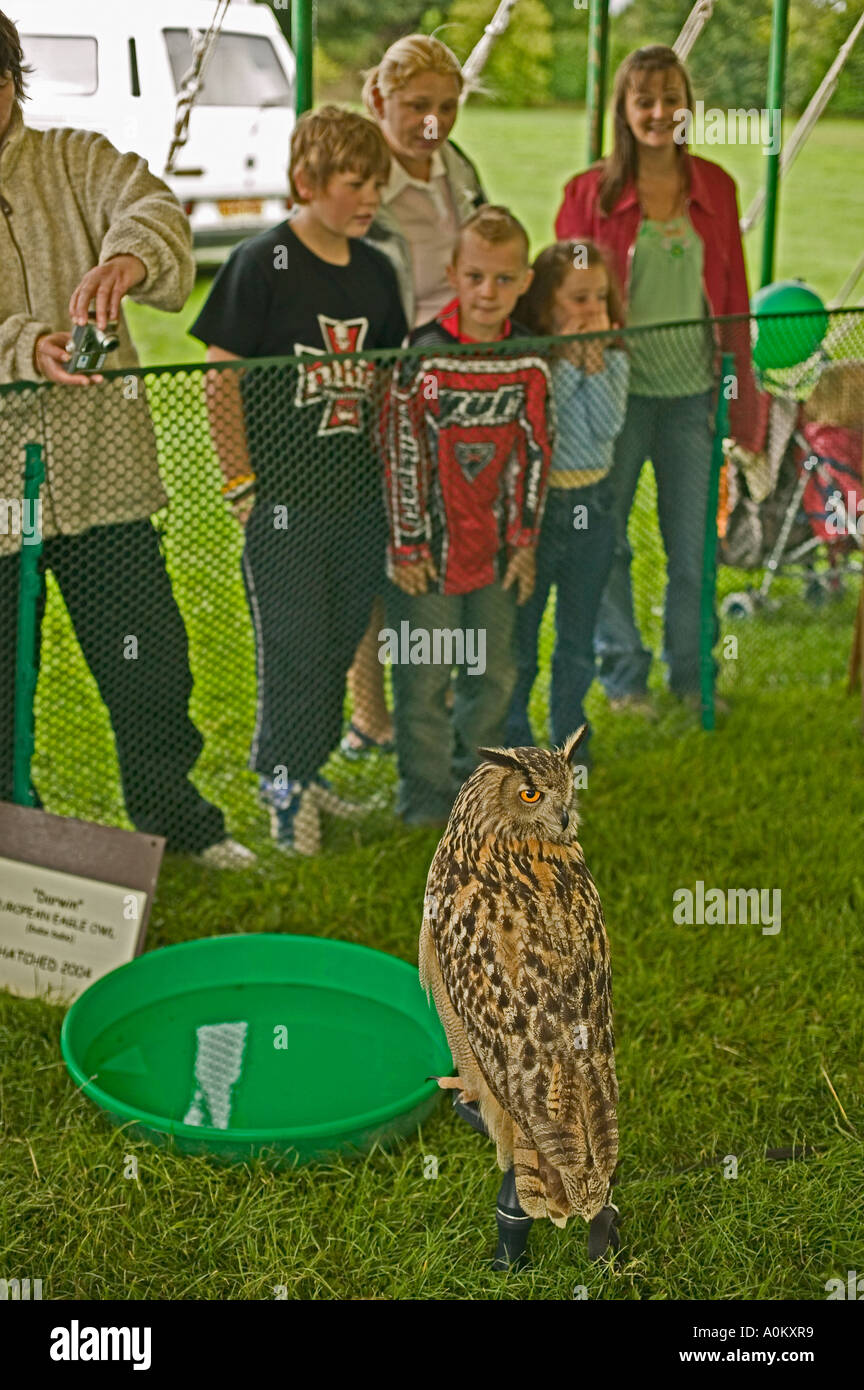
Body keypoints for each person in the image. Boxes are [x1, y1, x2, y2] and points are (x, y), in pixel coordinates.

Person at [0, 11, 251, 868]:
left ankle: (178, 823)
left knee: (148, 666)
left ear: (10, 85)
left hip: (102, 475)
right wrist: (21, 346)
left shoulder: (73, 156)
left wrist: (126, 262)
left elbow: (150, 203)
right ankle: (11, 847)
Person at [191, 106, 407, 855]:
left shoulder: (379, 272)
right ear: (306, 182)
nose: (371, 198)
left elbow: (386, 384)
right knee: (291, 644)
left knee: (342, 635)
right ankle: (282, 790)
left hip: (357, 500)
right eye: (355, 183)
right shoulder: (262, 262)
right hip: (282, 501)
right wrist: (240, 484)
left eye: (378, 183)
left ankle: (307, 772)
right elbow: (222, 373)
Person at [555, 45, 760, 714]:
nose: (658, 112)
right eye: (644, 100)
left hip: (692, 398)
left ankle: (693, 675)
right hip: (611, 400)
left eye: (670, 98)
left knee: (695, 549)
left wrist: (739, 400)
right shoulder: (589, 195)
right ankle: (623, 677)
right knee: (605, 544)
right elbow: (563, 298)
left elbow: (732, 297)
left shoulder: (717, 187)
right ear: (624, 109)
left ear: (686, 106)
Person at [340, 33, 487, 760]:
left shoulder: (458, 168)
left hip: (459, 375)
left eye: (448, 107)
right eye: (417, 106)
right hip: (386, 381)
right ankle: (372, 714)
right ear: (378, 100)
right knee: (379, 550)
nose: (434, 123)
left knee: (452, 537)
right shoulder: (359, 181)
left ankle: (442, 691)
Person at [382, 205, 553, 825]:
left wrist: (526, 541)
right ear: (453, 273)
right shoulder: (424, 356)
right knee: (423, 677)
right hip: (426, 554)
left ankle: (475, 793)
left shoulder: (530, 361)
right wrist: (406, 546)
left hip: (500, 554)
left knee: (494, 672)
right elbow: (401, 454)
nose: (489, 292)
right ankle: (423, 799)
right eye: (476, 276)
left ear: (526, 281)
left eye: (504, 279)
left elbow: (537, 454)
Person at [505, 241, 629, 768]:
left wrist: (594, 366)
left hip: (593, 508)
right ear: (545, 306)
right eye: (579, 299)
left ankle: (570, 738)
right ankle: (513, 735)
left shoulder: (616, 358)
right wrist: (572, 367)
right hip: (539, 511)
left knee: (577, 638)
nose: (593, 310)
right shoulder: (533, 364)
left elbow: (605, 428)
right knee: (522, 638)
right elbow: (548, 432)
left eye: (600, 297)